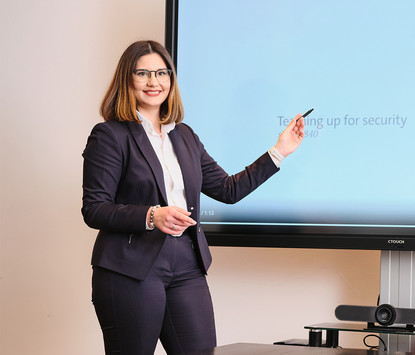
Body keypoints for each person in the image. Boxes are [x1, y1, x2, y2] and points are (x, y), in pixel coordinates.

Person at [82, 40, 305, 355]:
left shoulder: (184, 135)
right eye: (142, 73)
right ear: (127, 80)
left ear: (171, 80)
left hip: (187, 265)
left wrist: (279, 151)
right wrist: (151, 215)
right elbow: (94, 209)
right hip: (130, 270)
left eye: (161, 73)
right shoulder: (109, 136)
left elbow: (228, 190)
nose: (153, 81)